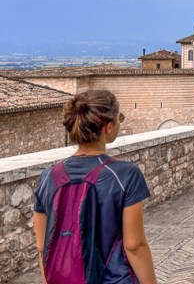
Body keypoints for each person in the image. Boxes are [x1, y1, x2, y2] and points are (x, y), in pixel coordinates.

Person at [33, 90, 157, 284]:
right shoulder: (126, 174)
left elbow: (43, 247)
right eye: (119, 119)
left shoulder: (47, 177)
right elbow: (135, 246)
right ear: (108, 127)